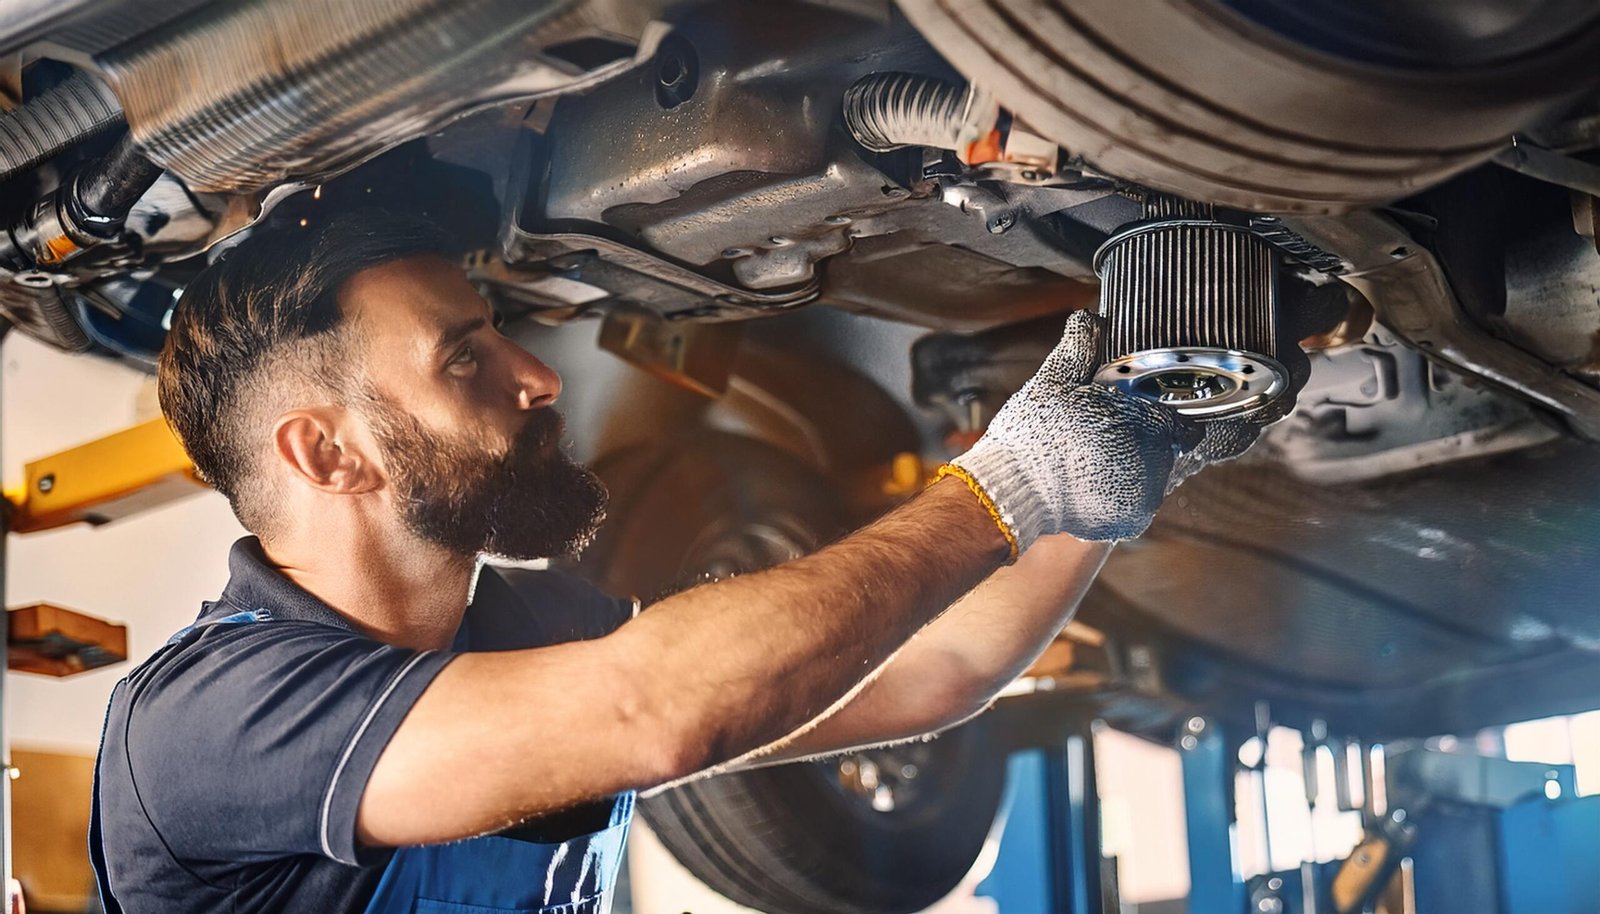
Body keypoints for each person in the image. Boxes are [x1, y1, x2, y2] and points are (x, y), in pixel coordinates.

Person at [89, 209, 1270, 913]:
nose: (536, 376)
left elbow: (933, 671)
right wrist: (1010, 482)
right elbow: (655, 710)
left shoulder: (529, 630)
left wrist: (1126, 458)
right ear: (326, 451)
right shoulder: (204, 720)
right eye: (464, 359)